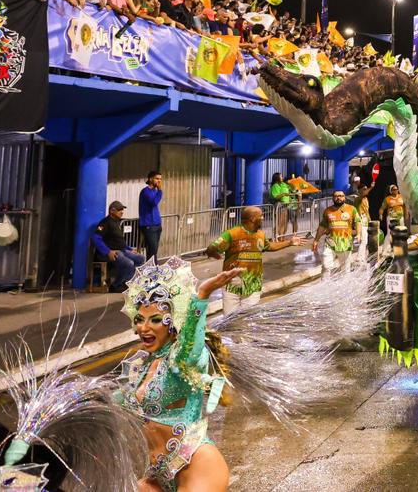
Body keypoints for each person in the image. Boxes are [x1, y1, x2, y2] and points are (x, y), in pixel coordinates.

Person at [119, 259, 238, 490]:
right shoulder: (141, 367)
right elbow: (115, 400)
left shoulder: (180, 360)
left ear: (172, 323)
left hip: (197, 465)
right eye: (140, 320)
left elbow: (189, 346)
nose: (144, 328)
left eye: (155, 320)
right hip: (158, 474)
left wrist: (202, 296)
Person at [205, 206, 308, 313]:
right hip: (232, 285)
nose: (263, 218)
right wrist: (212, 251)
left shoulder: (260, 235)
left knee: (247, 320)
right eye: (261, 216)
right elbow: (213, 247)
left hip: (253, 286)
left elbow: (269, 247)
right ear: (253, 219)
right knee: (229, 320)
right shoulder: (232, 234)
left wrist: (289, 242)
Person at [91, 201, 147, 292]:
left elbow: (119, 242)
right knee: (128, 263)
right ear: (112, 211)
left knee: (140, 258)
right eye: (119, 210)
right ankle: (117, 285)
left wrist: (129, 249)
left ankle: (131, 281)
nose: (122, 212)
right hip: (108, 252)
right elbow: (96, 238)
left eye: (122, 210)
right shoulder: (105, 222)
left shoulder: (117, 222)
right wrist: (108, 251)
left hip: (121, 250)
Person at [314, 191, 359, 272]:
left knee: (345, 270)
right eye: (336, 196)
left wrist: (359, 234)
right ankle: (325, 283)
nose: (338, 198)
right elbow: (322, 226)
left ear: (344, 197)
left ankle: (344, 284)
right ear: (333, 198)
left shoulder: (352, 209)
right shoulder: (328, 211)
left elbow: (358, 222)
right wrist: (316, 240)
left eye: (341, 196)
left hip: (346, 244)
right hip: (330, 243)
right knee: (326, 266)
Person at [139, 171, 164, 262]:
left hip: (157, 224)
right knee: (152, 249)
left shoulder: (155, 191)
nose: (159, 181)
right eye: (157, 179)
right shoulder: (146, 192)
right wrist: (160, 191)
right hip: (149, 225)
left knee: (154, 250)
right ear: (150, 179)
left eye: (160, 179)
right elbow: (154, 202)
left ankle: (152, 269)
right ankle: (152, 269)